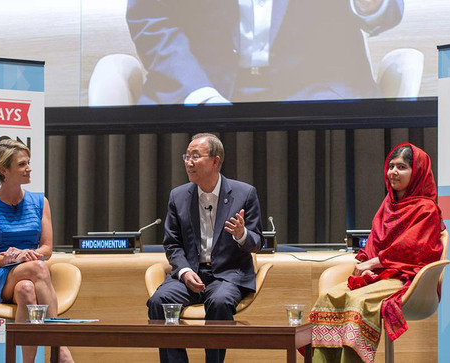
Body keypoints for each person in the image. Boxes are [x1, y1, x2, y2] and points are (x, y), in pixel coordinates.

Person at [309, 143, 444, 363]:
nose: (393, 172)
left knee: (357, 301)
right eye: (391, 166)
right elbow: (375, 241)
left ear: (417, 171)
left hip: (406, 277)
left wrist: (374, 263)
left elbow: (413, 249)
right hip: (378, 275)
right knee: (328, 298)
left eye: (402, 167)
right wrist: (366, 263)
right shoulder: (387, 205)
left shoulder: (426, 209)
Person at [126, 0, 404, 105]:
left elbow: (389, 9)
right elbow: (149, 17)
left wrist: (369, 4)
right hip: (195, 81)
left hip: (316, 86)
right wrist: (197, 92)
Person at [147, 133, 263, 363]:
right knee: (158, 302)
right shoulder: (178, 196)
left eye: (195, 156)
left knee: (219, 302)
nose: (188, 162)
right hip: (190, 275)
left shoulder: (244, 193)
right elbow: (172, 243)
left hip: (228, 276)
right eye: (186, 156)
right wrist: (184, 271)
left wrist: (242, 235)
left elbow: (257, 242)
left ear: (215, 161)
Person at [0, 139, 74, 363]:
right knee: (37, 268)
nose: (29, 168)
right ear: (3, 170)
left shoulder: (40, 202)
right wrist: (14, 258)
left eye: (28, 163)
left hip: (28, 274)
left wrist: (27, 254)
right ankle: (59, 347)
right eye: (21, 164)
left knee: (26, 289)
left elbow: (46, 249)